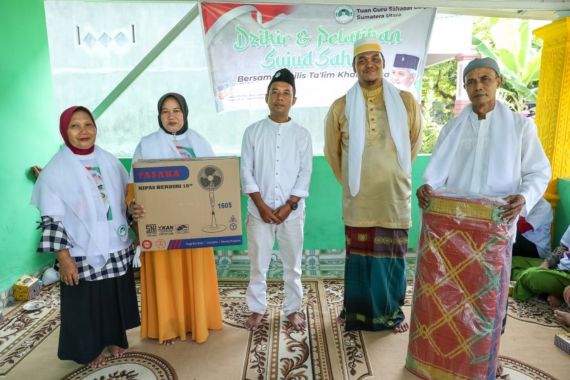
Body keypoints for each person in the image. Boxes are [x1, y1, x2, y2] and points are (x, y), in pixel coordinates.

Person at [416, 57, 551, 377]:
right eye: (471, 81)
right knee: (452, 294)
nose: (478, 86)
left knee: (491, 298)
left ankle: (488, 357)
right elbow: (437, 173)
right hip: (454, 232)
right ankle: (452, 358)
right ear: (465, 87)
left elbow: (538, 172)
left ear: (498, 82)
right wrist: (427, 187)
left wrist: (525, 197)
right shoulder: (453, 127)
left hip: (496, 230)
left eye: (485, 79)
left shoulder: (520, 127)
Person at [324, 37, 424, 333]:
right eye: (362, 60)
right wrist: (354, 182)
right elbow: (333, 153)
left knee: (391, 258)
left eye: (375, 59)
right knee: (359, 259)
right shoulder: (341, 106)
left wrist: (394, 171)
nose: (369, 65)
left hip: (394, 195)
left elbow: (414, 142)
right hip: (359, 197)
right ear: (354, 67)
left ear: (383, 65)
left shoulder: (405, 101)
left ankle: (390, 313)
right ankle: (356, 312)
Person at [30, 106, 140, 368]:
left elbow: (125, 201)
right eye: (75, 126)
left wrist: (137, 228)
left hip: (115, 243)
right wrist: (64, 258)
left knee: (113, 294)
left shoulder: (110, 160)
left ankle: (115, 338)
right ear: (65, 131)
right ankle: (88, 350)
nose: (83, 131)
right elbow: (52, 219)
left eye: (88, 125)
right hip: (80, 248)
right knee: (85, 302)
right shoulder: (55, 172)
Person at [129, 92, 223, 344]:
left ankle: (197, 321)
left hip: (195, 227)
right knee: (165, 274)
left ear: (185, 113)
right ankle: (168, 325)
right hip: (160, 226)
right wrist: (133, 206)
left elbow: (216, 178)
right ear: (159, 115)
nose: (171, 116)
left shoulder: (200, 142)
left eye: (177, 110)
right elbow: (133, 185)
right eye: (165, 111)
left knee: (195, 272)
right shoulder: (147, 144)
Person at [241, 68, 312, 331]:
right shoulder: (252, 132)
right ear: (266, 97)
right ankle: (257, 309)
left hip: (291, 213)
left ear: (294, 100)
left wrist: (289, 205)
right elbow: (246, 171)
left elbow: (305, 173)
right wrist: (260, 205)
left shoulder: (302, 135)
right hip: (258, 211)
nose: (280, 97)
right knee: (258, 264)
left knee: (292, 265)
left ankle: (293, 309)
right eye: (275, 92)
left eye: (286, 93)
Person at [513, 225, 570, 308]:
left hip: (567, 278)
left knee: (530, 276)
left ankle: (555, 294)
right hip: (559, 267)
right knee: (512, 261)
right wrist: (546, 263)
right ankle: (549, 290)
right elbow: (562, 248)